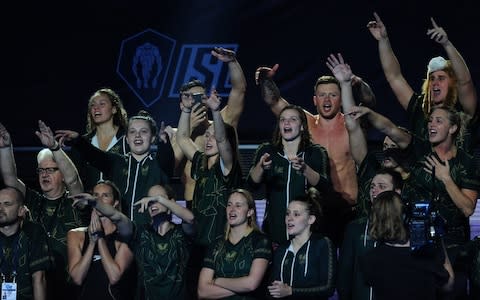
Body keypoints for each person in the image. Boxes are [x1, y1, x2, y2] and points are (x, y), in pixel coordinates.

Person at [255, 62, 375, 247]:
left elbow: (369, 103)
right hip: (314, 211)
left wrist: (357, 83)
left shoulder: (352, 124)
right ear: (314, 100)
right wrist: (265, 80)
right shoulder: (305, 123)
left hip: (347, 210)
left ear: (341, 99)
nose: (327, 100)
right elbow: (274, 101)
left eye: (333, 95)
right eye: (322, 95)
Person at [0, 121, 88, 300]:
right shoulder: (33, 200)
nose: (44, 174)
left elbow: (73, 180)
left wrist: (55, 148)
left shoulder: (75, 202)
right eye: (41, 170)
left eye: (50, 170)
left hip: (68, 289)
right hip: (34, 286)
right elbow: (10, 179)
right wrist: (5, 148)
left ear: (61, 173)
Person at [367, 12, 478, 152]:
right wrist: (383, 41)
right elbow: (394, 76)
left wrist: (446, 44)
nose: (435, 82)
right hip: (421, 173)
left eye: (441, 78)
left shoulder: (461, 110)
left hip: (455, 173)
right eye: (432, 78)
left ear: (452, 83)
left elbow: (465, 81)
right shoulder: (419, 109)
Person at [326, 53, 419, 217]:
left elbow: (389, 129)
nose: (387, 151)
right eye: (385, 146)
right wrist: (345, 84)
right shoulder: (371, 172)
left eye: (392, 146)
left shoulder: (416, 182)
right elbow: (353, 126)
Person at [176, 88, 243, 299]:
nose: (209, 139)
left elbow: (223, 141)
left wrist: (215, 112)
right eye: (207, 135)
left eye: (214, 136)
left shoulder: (227, 168)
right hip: (198, 243)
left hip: (222, 245)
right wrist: (186, 110)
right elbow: (183, 137)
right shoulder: (200, 162)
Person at [409, 106, 480, 299]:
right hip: (417, 244)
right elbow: (392, 130)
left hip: (453, 247)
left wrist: (446, 179)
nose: (431, 124)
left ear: (453, 128)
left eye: (438, 121)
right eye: (430, 120)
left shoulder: (467, 162)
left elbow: (467, 209)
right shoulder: (420, 153)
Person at [57, 110, 173, 227]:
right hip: (119, 234)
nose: (137, 135)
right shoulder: (116, 162)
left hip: (149, 235)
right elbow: (93, 154)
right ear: (126, 139)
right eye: (132, 132)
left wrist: (164, 144)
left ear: (153, 138)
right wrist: (78, 140)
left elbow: (167, 160)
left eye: (143, 132)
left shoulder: (158, 164)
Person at [170, 46, 246, 206]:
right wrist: (190, 127)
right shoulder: (176, 134)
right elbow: (168, 169)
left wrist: (232, 62)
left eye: (200, 98)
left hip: (224, 202)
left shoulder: (222, 122)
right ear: (182, 105)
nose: (196, 102)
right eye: (190, 99)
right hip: (193, 204)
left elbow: (239, 90)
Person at [247, 105, 331, 246]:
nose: (286, 123)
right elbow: (251, 185)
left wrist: (305, 169)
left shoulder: (315, 153)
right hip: (274, 235)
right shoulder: (267, 151)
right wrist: (260, 167)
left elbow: (325, 186)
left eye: (292, 119)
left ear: (302, 126)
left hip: (307, 236)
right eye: (282, 120)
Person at [359, 191, 454, 300]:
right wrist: (438, 238)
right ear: (405, 216)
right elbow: (448, 285)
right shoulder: (426, 254)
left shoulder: (369, 259)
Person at [337, 168, 403, 300]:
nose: (374, 190)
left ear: (397, 192)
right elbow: (345, 273)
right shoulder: (355, 228)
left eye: (381, 186)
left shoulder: (406, 228)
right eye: (372, 186)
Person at [197, 188, 271, 300]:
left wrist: (217, 281)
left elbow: (251, 284)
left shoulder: (260, 241)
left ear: (250, 212)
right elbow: (202, 292)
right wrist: (241, 287)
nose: (232, 209)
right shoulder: (216, 244)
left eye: (238, 205)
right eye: (229, 205)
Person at [67, 180, 134, 300]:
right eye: (96, 196)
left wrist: (100, 239)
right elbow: (77, 278)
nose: (99, 200)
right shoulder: (76, 235)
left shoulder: (124, 237)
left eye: (105, 196)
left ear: (115, 203)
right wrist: (92, 243)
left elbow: (114, 277)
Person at [267, 187, 336, 300]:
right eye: (287, 214)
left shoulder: (323, 244)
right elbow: (272, 289)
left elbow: (328, 288)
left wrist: (291, 291)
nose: (289, 219)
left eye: (296, 214)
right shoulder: (282, 249)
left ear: (311, 219)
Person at [132, 184, 195, 299]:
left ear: (170, 202)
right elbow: (117, 218)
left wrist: (159, 199)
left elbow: (190, 218)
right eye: (150, 199)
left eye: (157, 199)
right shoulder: (141, 232)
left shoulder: (181, 232)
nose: (152, 202)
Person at [68, 88, 130, 192]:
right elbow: (75, 179)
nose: (96, 108)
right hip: (92, 205)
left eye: (102, 104)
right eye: (92, 105)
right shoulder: (82, 143)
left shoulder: (128, 139)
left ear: (114, 109)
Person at [0, 187, 52, 300]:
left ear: (21, 210)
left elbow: (39, 278)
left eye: (7, 204)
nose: (0, 208)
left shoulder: (33, 232)